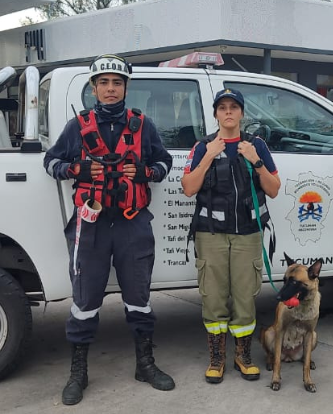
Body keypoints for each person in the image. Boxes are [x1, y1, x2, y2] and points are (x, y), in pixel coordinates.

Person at [43, 54, 175, 405]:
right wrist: (76, 170)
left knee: (139, 298)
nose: (111, 89)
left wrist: (147, 173)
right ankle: (78, 372)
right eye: (104, 83)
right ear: (94, 88)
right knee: (84, 300)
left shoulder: (143, 125)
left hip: (133, 223)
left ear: (126, 87)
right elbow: (50, 162)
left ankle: (145, 363)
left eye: (117, 83)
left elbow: (164, 160)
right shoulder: (78, 126)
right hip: (92, 226)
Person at [180, 88, 280, 384]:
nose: (228, 112)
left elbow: (273, 189)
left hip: (248, 234)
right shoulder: (202, 147)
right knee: (213, 300)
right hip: (210, 234)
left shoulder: (256, 145)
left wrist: (256, 161)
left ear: (241, 113)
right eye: (222, 107)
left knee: (245, 300)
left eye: (233, 107)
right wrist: (208, 157)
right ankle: (216, 358)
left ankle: (243, 356)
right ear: (215, 114)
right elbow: (189, 188)